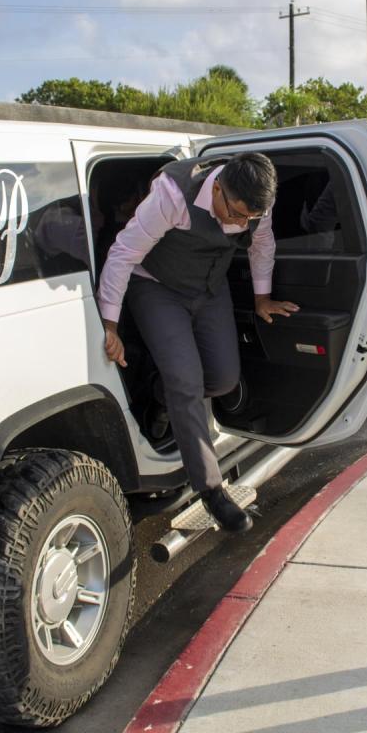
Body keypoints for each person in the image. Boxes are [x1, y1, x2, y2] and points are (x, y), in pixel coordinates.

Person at [99, 153, 299, 534]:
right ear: (218, 188)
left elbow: (262, 243)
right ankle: (211, 490)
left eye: (250, 218)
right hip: (156, 285)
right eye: (236, 213)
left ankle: (162, 394)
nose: (241, 224)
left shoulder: (257, 204)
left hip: (209, 288)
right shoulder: (172, 193)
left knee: (223, 379)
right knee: (187, 381)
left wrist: (262, 298)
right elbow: (123, 252)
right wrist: (110, 324)